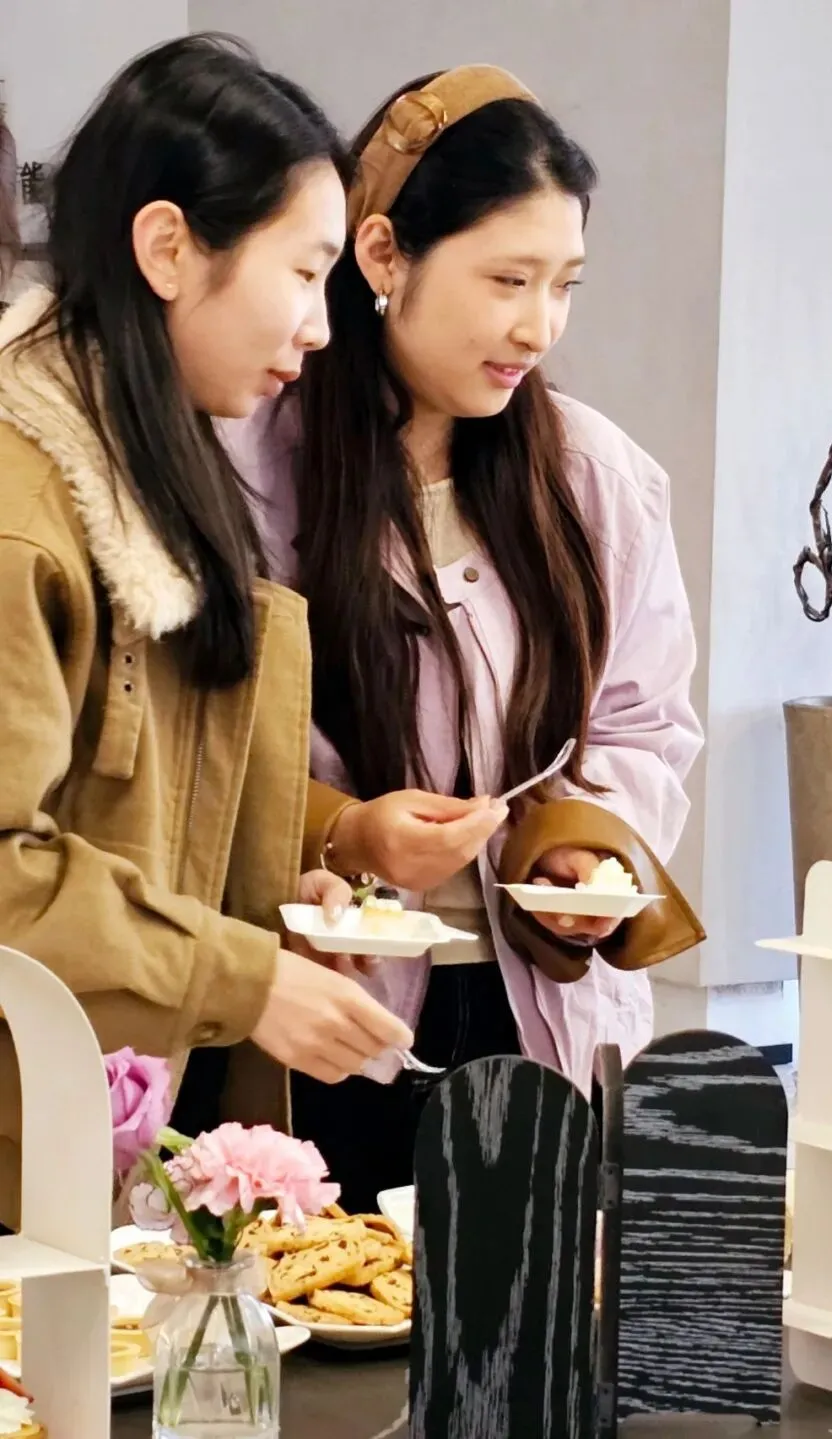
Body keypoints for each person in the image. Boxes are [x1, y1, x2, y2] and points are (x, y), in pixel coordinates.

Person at [227, 65, 704, 1209]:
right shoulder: (255, 469)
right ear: (383, 255)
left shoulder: (597, 481)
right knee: (332, 1291)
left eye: (564, 285)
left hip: (544, 1015)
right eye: (507, 279)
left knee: (536, 1297)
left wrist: (583, 849)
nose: (539, 325)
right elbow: (210, 749)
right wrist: (347, 833)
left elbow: (644, 721)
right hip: (331, 1016)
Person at [0, 35, 427, 1230]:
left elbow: (141, 807)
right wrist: (242, 975)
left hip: (101, 1144)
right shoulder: (26, 513)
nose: (323, 327)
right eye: (305, 271)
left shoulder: (158, 472)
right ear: (169, 248)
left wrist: (288, 890)